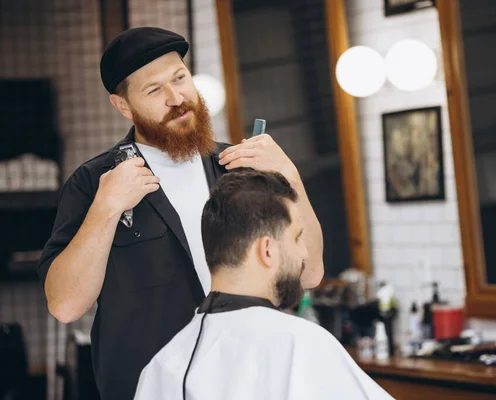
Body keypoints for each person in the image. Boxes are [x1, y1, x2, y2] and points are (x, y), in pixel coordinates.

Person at [37, 27, 324, 400]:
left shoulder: (236, 167)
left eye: (180, 78)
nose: (177, 98)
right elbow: (65, 305)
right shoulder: (94, 183)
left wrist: (291, 177)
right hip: (147, 390)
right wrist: (106, 210)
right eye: (155, 90)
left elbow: (311, 272)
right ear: (123, 106)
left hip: (245, 383)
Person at [133, 170, 393, 400]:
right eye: (297, 237)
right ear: (267, 250)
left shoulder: (163, 367)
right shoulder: (300, 345)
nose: (304, 253)